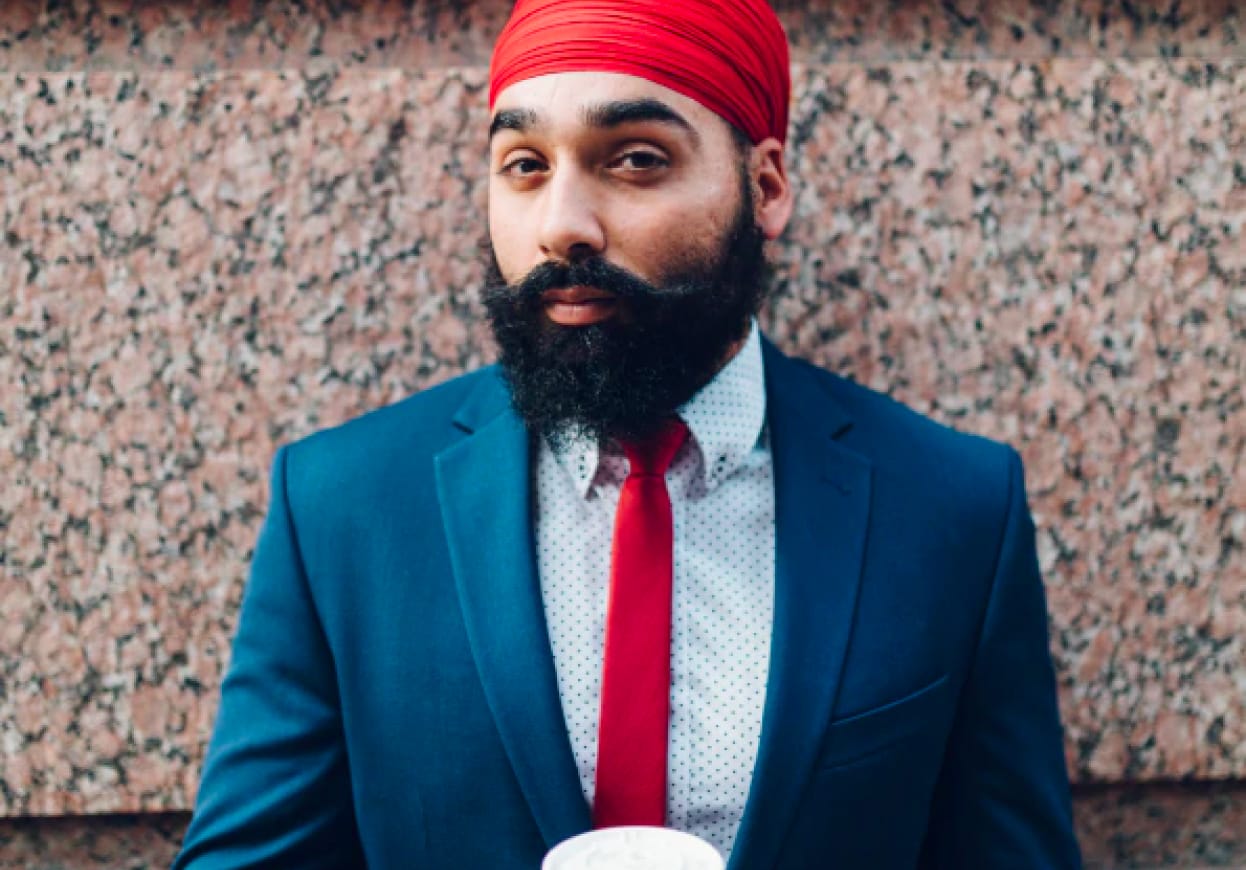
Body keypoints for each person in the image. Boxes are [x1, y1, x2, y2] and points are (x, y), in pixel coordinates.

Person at [174, 0, 1082, 867]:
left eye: (636, 159)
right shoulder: (344, 507)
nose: (561, 225)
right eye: (524, 164)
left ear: (764, 187)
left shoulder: (953, 507)